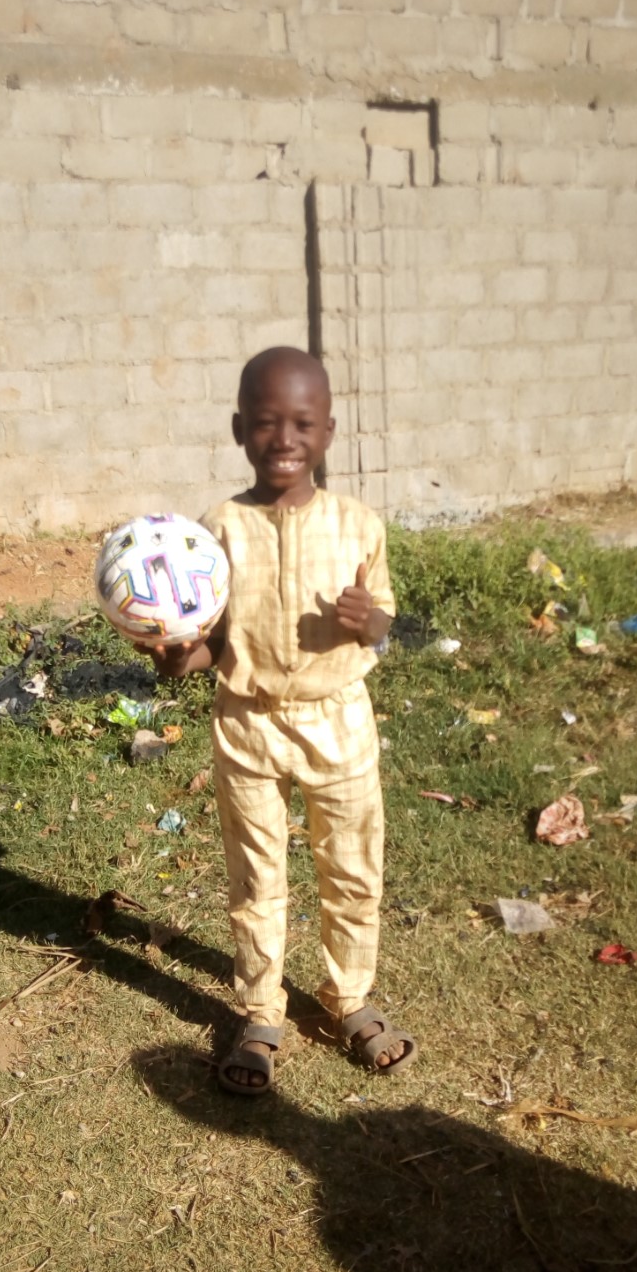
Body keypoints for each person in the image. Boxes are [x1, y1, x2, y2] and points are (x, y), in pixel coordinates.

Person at [145, 346, 417, 1095]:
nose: (285, 439)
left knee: (352, 869)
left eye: (302, 423)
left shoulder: (358, 525)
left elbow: (384, 626)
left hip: (339, 722)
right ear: (240, 429)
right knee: (256, 877)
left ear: (328, 431)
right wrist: (177, 658)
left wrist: (369, 623)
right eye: (266, 422)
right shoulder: (216, 531)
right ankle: (262, 1012)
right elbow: (211, 646)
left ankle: (349, 999)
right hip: (248, 727)